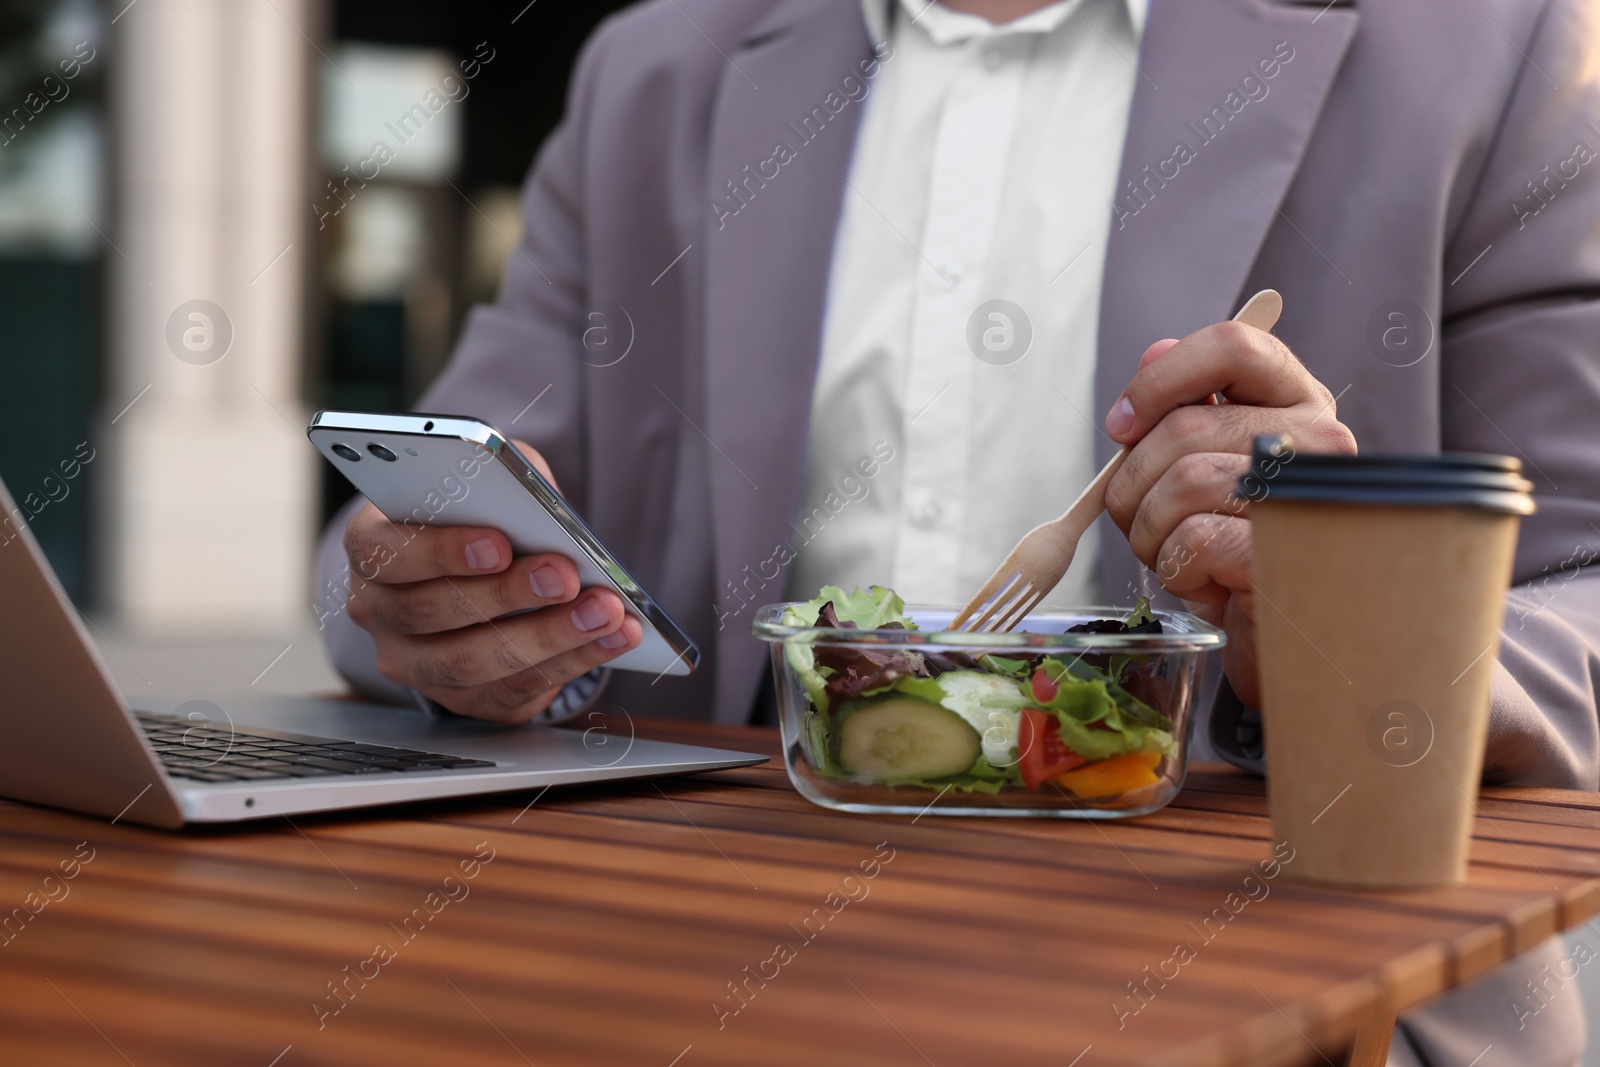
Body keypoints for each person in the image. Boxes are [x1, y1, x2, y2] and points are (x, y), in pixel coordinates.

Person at [315, 0, 1600, 1063]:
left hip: (1268, 981)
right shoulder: (655, 67)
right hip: (694, 964)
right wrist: (422, 600)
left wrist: (1339, 618)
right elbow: (408, 512)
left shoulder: (1494, 41)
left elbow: (1582, 590)